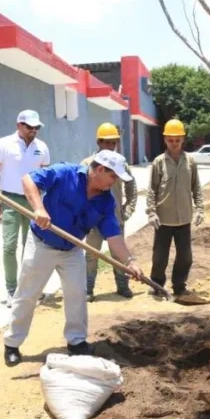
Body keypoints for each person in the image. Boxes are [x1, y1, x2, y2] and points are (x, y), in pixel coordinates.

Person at [2, 150, 145, 366]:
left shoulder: (106, 201)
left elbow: (114, 237)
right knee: (27, 294)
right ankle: (12, 344)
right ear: (99, 170)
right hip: (42, 243)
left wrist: (130, 262)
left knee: (77, 294)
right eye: (113, 177)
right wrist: (39, 209)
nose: (114, 182)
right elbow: (28, 179)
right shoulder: (64, 173)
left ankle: (76, 341)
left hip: (73, 249)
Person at [0, 110, 51, 307]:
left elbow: (46, 178)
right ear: (19, 125)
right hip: (9, 199)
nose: (33, 130)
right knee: (10, 245)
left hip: (33, 202)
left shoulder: (42, 147)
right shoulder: (3, 144)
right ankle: (11, 290)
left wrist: (43, 206)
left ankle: (29, 288)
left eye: (37, 127)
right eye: (29, 126)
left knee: (32, 247)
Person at [145, 118, 204, 300]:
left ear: (182, 140)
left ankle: (179, 286)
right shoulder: (159, 162)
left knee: (185, 257)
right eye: (171, 140)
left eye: (177, 140)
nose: (174, 144)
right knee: (160, 257)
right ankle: (157, 286)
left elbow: (196, 187)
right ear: (165, 140)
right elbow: (152, 189)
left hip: (184, 218)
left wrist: (200, 209)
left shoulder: (190, 162)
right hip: (163, 219)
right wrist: (151, 212)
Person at [82, 123, 137, 302]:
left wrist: (129, 208)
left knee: (118, 254)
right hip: (93, 220)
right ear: (99, 142)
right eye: (107, 143)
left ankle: (122, 286)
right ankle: (88, 289)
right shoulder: (87, 164)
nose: (110, 147)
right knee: (91, 254)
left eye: (113, 143)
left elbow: (131, 185)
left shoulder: (121, 163)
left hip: (115, 217)